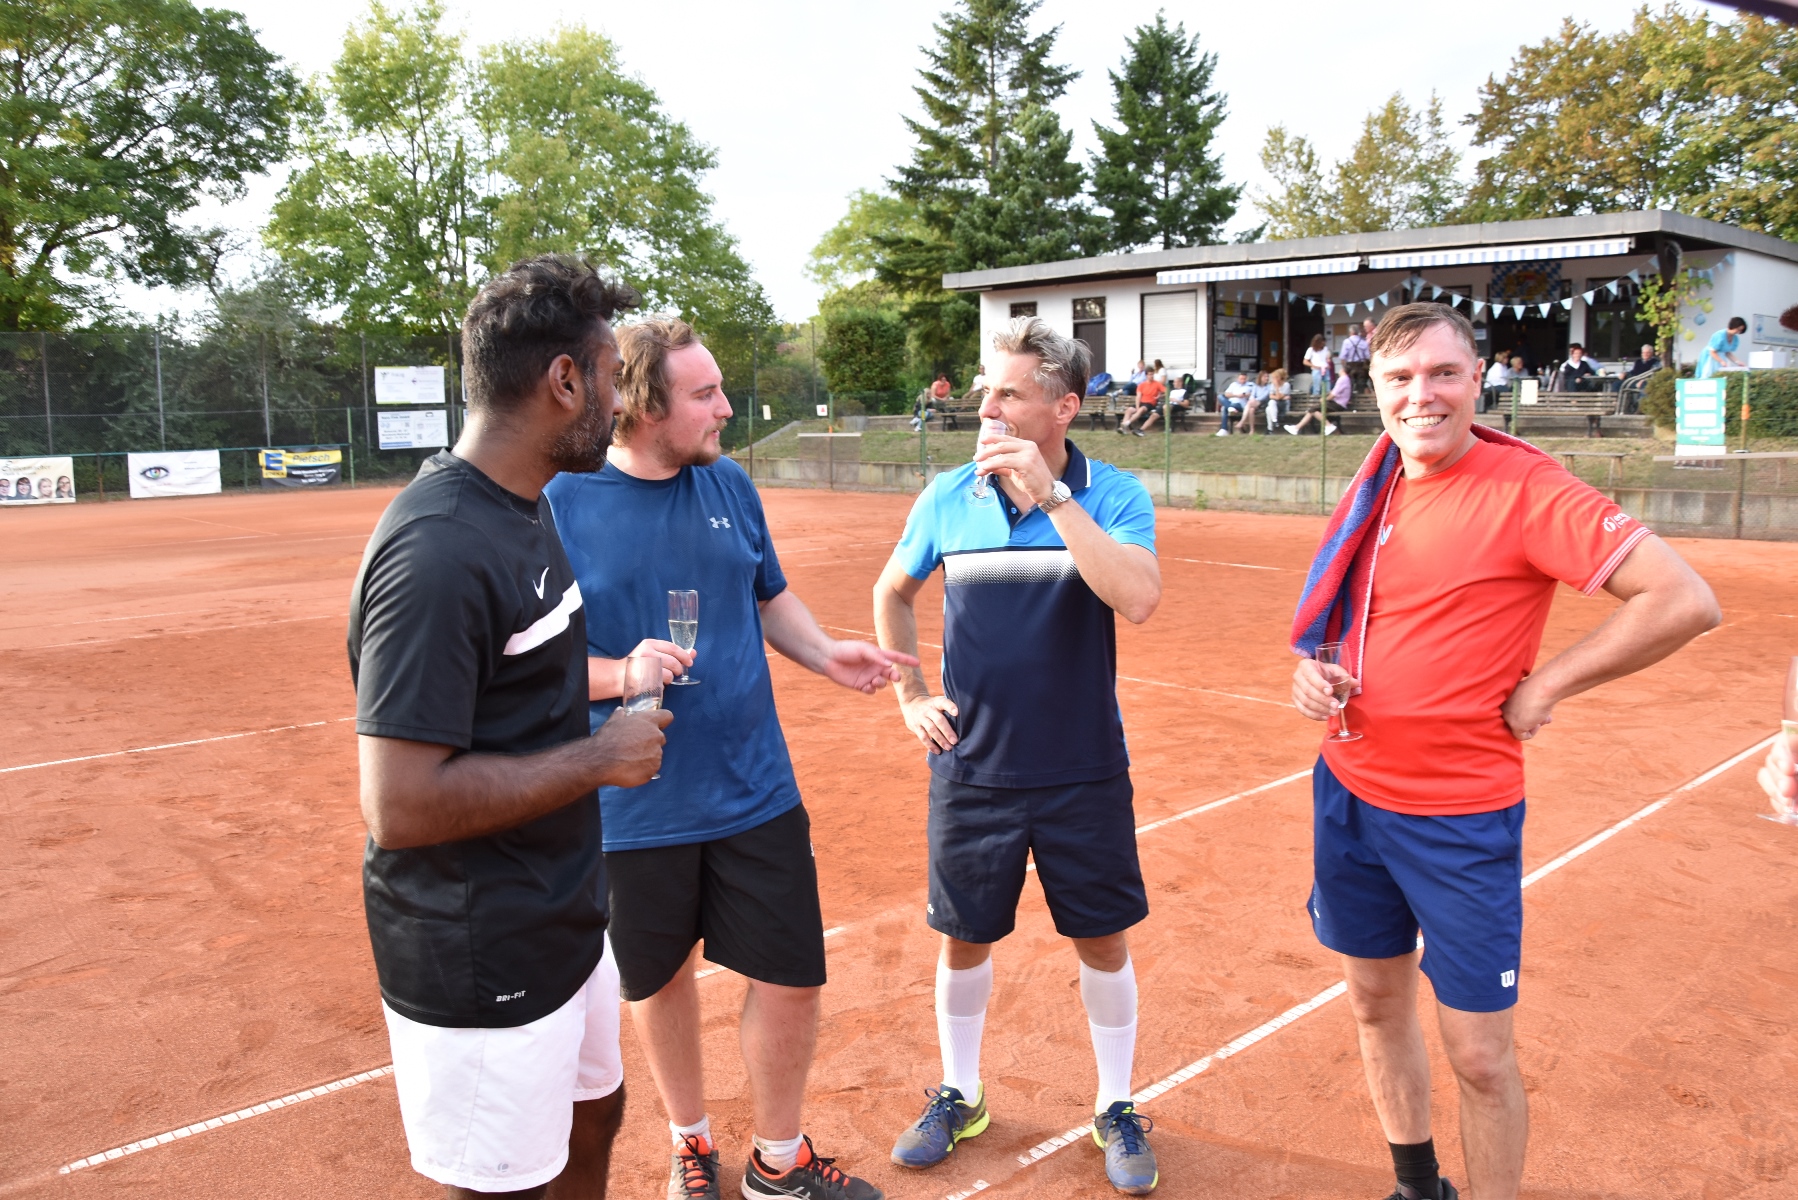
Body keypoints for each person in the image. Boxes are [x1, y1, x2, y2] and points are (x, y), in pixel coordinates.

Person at [1288, 302, 1720, 1200]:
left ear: (1477, 379)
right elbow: (1360, 623)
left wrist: (1548, 683)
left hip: (1459, 816)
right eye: (1400, 378)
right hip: (1349, 789)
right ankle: (1418, 1185)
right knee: (1375, 1003)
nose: (1421, 395)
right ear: (1373, 389)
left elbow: (1682, 599)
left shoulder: (1527, 488)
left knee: (1481, 1057)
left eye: (1443, 373)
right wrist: (1313, 675)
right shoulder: (1380, 482)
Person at [545, 316, 908, 1200]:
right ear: (643, 406)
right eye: (704, 394)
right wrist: (619, 673)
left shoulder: (729, 482)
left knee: (790, 977)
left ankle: (777, 1163)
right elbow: (526, 658)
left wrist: (825, 652)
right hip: (632, 802)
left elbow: (767, 594)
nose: (726, 408)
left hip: (755, 788)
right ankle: (691, 1144)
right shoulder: (560, 500)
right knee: (658, 980)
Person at [349, 255, 670, 1200]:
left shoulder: (526, 509)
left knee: (595, 1115)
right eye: (610, 375)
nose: (620, 400)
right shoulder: (439, 550)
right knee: (507, 1184)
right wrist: (599, 758)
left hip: (561, 912)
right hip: (477, 941)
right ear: (563, 380)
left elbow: (521, 700)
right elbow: (401, 805)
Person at [872, 316, 1164, 1195]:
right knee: (963, 940)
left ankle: (1115, 1104)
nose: (986, 409)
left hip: (1083, 767)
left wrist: (1056, 500)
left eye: (1008, 393)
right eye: (984, 392)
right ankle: (961, 1094)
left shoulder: (1113, 494)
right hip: (974, 770)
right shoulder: (947, 495)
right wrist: (912, 695)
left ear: (1063, 407)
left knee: (1101, 940)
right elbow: (892, 593)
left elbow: (1137, 598)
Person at [1118, 370, 1165, 436]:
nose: (1152, 376)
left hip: (1150, 404)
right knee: (1129, 410)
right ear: (1146, 375)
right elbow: (1138, 397)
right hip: (1141, 402)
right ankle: (1123, 429)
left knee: (1141, 409)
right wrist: (1137, 407)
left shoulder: (1157, 384)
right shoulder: (1142, 385)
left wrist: (1160, 395)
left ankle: (1127, 423)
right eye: (1150, 374)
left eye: (1152, 374)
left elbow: (1167, 392)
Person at [1236, 370, 1273, 435]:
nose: (1267, 378)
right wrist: (1253, 399)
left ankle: (1242, 421)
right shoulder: (1256, 386)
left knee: (1250, 403)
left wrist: (1255, 400)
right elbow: (1252, 395)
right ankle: (1252, 430)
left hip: (1264, 404)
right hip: (1254, 404)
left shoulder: (1269, 386)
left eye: (1267, 377)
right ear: (1260, 378)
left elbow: (1265, 396)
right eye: (1265, 377)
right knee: (1251, 409)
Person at [1340, 323, 1371, 394]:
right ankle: (1362, 399)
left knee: (1349, 384)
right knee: (1361, 384)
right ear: (1358, 332)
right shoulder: (1363, 342)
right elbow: (1368, 356)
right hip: (1361, 366)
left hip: (1350, 365)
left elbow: (1343, 357)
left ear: (1350, 332)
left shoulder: (1346, 342)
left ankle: (1349, 398)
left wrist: (1344, 367)